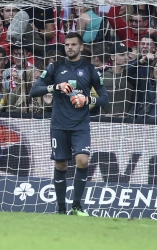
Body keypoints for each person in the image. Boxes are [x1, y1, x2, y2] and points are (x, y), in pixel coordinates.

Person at [30, 32, 109, 215]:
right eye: (67, 45)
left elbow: (105, 99)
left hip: (80, 125)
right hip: (58, 124)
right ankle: (61, 209)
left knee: (82, 160)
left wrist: (87, 100)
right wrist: (54, 87)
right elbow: (34, 90)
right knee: (61, 166)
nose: (70, 48)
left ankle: (76, 206)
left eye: (73, 45)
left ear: (81, 47)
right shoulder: (54, 67)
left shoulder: (90, 70)